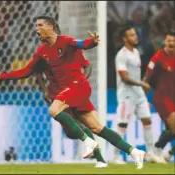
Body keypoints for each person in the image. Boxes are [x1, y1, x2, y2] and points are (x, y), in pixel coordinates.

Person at [0, 15, 146, 169]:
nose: (36, 29)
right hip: (66, 92)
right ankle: (134, 152)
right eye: (36, 26)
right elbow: (27, 71)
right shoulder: (42, 51)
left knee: (53, 110)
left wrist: (94, 41)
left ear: (51, 27)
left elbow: (83, 44)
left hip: (77, 86)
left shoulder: (66, 41)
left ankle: (89, 144)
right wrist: (2, 75)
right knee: (96, 128)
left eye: (40, 25)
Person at [35, 23, 107, 168]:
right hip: (55, 94)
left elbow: (87, 65)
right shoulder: (43, 53)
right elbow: (37, 72)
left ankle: (99, 158)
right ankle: (95, 151)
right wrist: (44, 90)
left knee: (83, 124)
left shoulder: (72, 50)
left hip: (72, 91)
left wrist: (80, 83)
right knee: (69, 131)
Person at [113, 25, 161, 164]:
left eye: (135, 34)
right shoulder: (121, 55)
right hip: (126, 95)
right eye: (132, 35)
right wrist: (142, 84)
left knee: (147, 120)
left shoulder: (135, 51)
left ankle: (151, 153)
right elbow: (124, 77)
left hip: (139, 95)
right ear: (124, 38)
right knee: (122, 125)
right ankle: (116, 156)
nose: (135, 37)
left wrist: (141, 88)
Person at [143, 31, 175, 162]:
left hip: (173, 98)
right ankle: (158, 150)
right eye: (169, 41)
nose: (171, 43)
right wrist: (143, 98)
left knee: (171, 130)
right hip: (162, 98)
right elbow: (146, 78)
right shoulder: (158, 57)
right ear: (164, 42)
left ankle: (163, 152)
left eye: (173, 41)